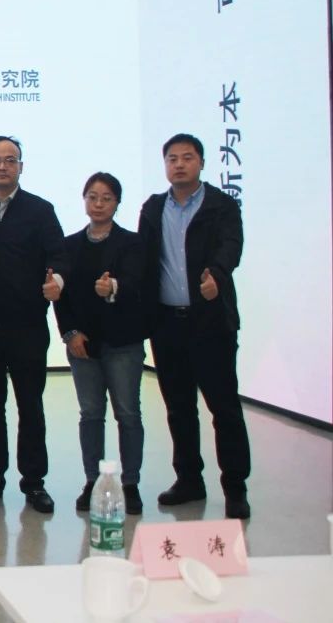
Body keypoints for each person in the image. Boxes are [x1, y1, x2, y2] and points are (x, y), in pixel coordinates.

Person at [138, 134, 250, 519]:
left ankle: (235, 487)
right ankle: (189, 480)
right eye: (172, 158)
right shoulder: (153, 208)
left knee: (224, 408)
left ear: (201, 163)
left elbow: (231, 247)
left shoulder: (221, 205)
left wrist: (216, 274)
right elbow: (144, 260)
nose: (179, 164)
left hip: (211, 322)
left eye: (187, 157)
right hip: (167, 324)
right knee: (179, 408)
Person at [0, 136, 67, 514]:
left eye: (10, 160)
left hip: (28, 327)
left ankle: (34, 483)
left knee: (30, 407)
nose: (2, 166)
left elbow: (59, 256)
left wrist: (58, 281)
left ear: (21, 167)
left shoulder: (40, 210)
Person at [52, 172, 145, 514]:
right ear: (84, 201)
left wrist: (114, 287)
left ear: (117, 203)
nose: (99, 204)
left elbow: (139, 284)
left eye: (106, 198)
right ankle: (92, 481)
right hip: (83, 345)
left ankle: (130, 483)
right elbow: (60, 296)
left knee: (128, 413)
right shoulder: (69, 245)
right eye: (92, 197)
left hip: (123, 343)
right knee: (91, 414)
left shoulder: (133, 244)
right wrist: (70, 334)